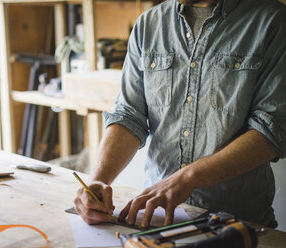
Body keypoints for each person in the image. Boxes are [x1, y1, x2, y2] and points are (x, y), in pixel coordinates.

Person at [74, 0, 286, 228]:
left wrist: (188, 178)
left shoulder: (273, 21)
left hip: (237, 225)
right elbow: (129, 115)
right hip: (156, 220)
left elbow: (273, 130)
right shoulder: (149, 23)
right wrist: (98, 181)